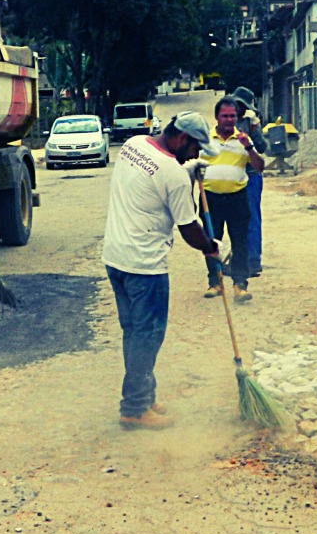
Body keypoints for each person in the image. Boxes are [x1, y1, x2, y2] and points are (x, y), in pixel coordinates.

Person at [103, 113, 220, 430]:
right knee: (147, 337)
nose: (196, 155)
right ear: (182, 139)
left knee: (134, 333)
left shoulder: (133, 144)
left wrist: (188, 170)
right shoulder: (174, 174)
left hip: (115, 257)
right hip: (145, 267)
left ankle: (144, 395)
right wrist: (211, 247)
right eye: (195, 149)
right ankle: (134, 408)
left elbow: (155, 175)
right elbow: (188, 229)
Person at [201, 97, 265, 303]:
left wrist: (249, 148)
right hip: (210, 199)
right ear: (216, 117)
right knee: (211, 242)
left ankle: (240, 285)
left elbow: (260, 166)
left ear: (237, 117)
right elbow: (191, 163)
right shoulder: (205, 139)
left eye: (232, 116)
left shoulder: (244, 139)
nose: (229, 120)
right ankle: (215, 282)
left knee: (240, 242)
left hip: (237, 198)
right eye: (225, 116)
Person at [230, 86, 268, 276]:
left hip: (251, 174)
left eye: (242, 106)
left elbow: (262, 147)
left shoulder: (250, 123)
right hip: (232, 175)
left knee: (251, 217)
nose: (238, 109)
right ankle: (240, 259)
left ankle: (253, 261)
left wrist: (255, 130)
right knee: (236, 220)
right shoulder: (226, 120)